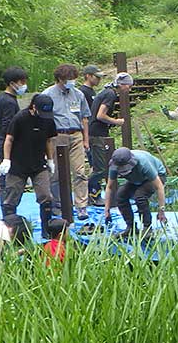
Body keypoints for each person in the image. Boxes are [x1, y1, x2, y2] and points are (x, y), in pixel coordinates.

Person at [0, 93, 57, 235]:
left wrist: (50, 160)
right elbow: (9, 139)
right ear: (34, 106)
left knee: (46, 196)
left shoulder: (48, 120)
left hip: (38, 164)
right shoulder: (20, 118)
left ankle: (47, 231)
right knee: (11, 198)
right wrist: (7, 160)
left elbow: (49, 140)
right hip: (18, 164)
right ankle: (9, 230)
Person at [42, 64, 91, 220]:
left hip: (76, 134)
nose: (71, 82)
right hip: (57, 135)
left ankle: (81, 206)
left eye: (73, 79)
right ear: (60, 79)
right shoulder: (48, 94)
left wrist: (86, 139)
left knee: (80, 172)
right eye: (68, 79)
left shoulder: (78, 94)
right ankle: (58, 204)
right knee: (55, 173)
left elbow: (84, 117)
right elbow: (43, 119)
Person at [88, 72, 134, 205]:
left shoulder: (107, 91)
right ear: (121, 85)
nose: (129, 90)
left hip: (96, 132)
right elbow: (100, 115)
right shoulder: (110, 94)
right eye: (128, 86)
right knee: (101, 169)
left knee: (97, 166)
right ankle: (88, 192)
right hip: (97, 134)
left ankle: (92, 194)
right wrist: (116, 121)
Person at [103, 147, 168, 236]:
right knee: (120, 195)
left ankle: (147, 228)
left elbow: (159, 186)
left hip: (157, 176)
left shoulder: (143, 163)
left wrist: (161, 210)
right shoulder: (114, 166)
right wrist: (107, 210)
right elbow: (109, 187)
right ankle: (131, 227)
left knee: (140, 196)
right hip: (136, 180)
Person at [0, 66, 29, 210]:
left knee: (7, 177)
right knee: (9, 179)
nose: (23, 85)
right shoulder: (9, 101)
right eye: (21, 82)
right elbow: (7, 125)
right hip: (7, 144)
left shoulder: (4, 97)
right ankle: (8, 210)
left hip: (4, 142)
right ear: (12, 83)